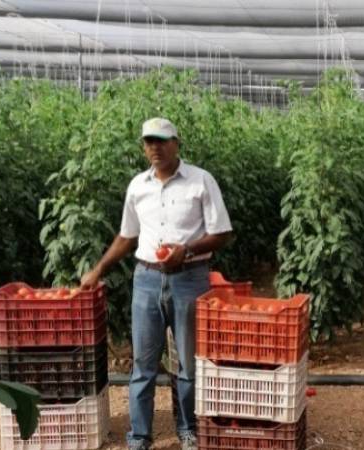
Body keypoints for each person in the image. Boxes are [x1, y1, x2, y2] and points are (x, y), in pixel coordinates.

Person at [80, 117, 233, 450]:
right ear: (143, 147)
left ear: (177, 143)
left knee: (188, 363)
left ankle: (188, 429)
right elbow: (127, 236)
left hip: (190, 278)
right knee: (143, 364)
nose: (155, 147)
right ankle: (139, 435)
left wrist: (187, 250)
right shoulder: (138, 186)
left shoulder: (201, 181)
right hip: (146, 280)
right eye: (149, 142)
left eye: (162, 141)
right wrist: (98, 269)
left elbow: (222, 233)